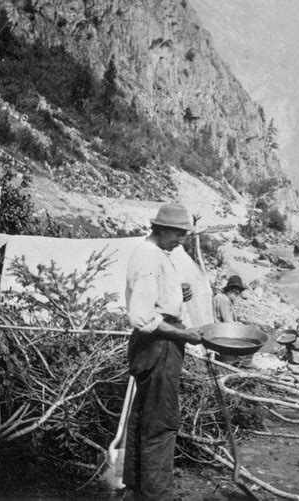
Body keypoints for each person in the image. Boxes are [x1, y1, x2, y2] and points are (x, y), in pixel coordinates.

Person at [123, 202, 202, 501]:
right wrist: (184, 333)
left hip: (156, 346)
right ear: (162, 229)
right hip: (159, 346)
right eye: (179, 233)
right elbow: (143, 317)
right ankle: (157, 495)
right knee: (161, 423)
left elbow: (154, 299)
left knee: (143, 417)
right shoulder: (148, 259)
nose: (182, 239)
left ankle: (137, 489)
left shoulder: (156, 253)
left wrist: (175, 293)